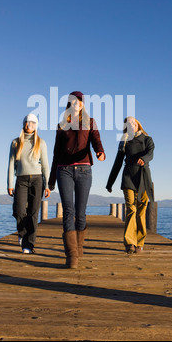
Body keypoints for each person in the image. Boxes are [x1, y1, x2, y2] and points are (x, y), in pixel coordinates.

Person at [48, 91, 105, 268]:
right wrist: (51, 180)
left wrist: (100, 151)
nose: (77, 103)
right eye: (73, 101)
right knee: (68, 211)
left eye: (79, 101)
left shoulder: (90, 122)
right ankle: (72, 255)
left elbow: (96, 139)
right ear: (69, 104)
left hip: (84, 169)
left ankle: (79, 249)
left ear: (82, 104)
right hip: (63, 170)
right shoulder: (62, 124)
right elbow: (56, 152)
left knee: (80, 213)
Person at [106, 117, 155, 254]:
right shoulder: (124, 141)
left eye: (133, 123)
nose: (131, 125)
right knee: (131, 210)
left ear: (138, 125)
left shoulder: (147, 139)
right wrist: (110, 183)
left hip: (144, 179)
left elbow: (150, 154)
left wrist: (143, 160)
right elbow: (117, 163)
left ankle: (140, 243)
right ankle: (129, 243)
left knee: (141, 212)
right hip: (128, 178)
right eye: (128, 124)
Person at [7, 113, 50, 254]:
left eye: (32, 123)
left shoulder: (41, 142)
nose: (29, 125)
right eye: (27, 122)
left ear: (36, 126)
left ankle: (28, 245)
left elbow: (45, 165)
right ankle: (22, 233)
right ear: (23, 124)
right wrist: (9, 184)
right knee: (19, 211)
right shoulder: (15, 142)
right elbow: (11, 164)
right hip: (21, 179)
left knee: (33, 212)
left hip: (37, 180)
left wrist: (48, 184)